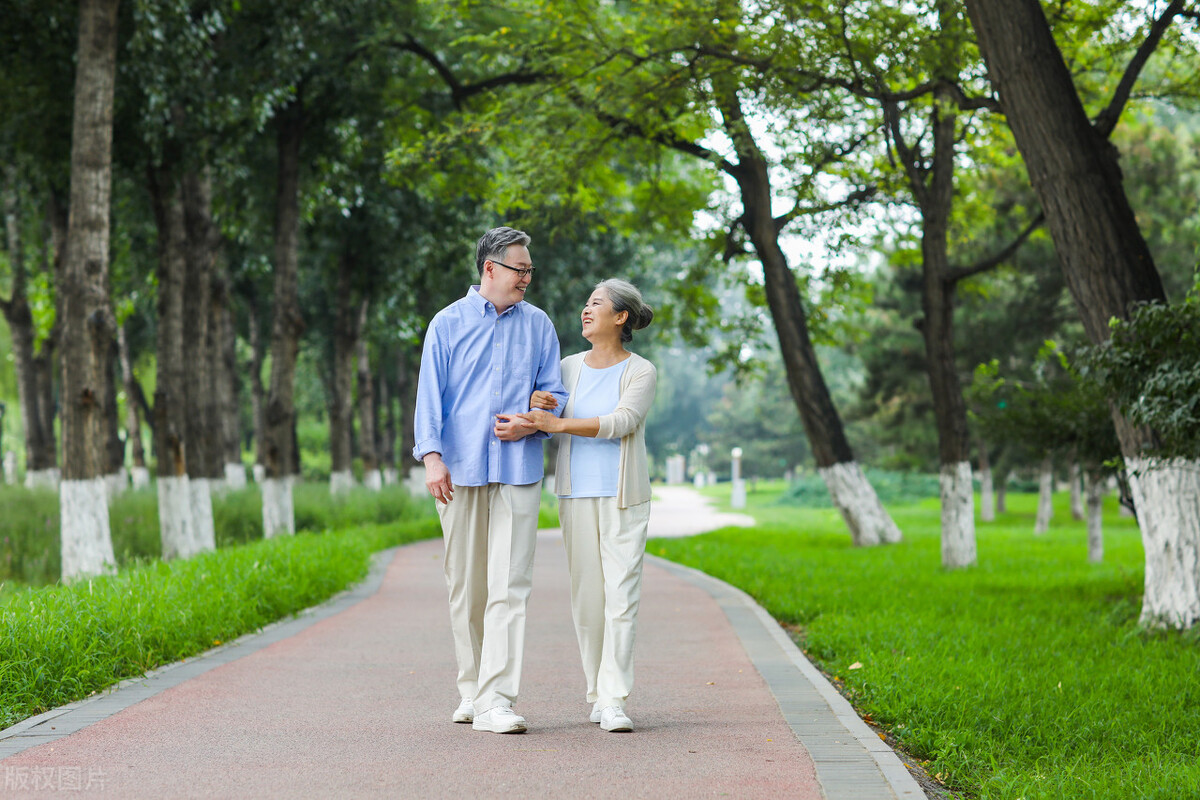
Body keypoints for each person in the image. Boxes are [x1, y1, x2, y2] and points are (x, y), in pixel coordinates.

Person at [412, 226, 568, 734]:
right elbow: (429, 396)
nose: (526, 278)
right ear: (489, 269)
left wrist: (535, 418)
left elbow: (554, 393)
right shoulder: (448, 323)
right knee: (466, 586)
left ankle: (497, 698)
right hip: (459, 470)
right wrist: (432, 458)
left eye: (530, 270)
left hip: (518, 468)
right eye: (518, 269)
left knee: (511, 584)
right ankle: (472, 689)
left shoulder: (540, 325)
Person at [512, 278, 656, 733]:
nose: (585, 310)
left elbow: (623, 421)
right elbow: (546, 405)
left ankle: (614, 698)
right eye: (586, 303)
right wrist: (541, 403)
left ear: (621, 317)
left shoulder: (640, 371)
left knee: (622, 596)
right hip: (575, 496)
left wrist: (559, 421)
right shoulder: (568, 366)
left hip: (622, 498)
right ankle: (596, 691)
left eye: (597, 303)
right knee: (588, 600)